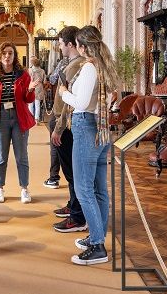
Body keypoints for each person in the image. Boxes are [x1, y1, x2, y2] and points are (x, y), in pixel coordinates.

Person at [58, 25, 118, 265]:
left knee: (84, 189)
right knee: (99, 190)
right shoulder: (105, 65)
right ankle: (98, 235)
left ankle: (97, 245)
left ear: (82, 46)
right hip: (101, 128)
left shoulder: (89, 67)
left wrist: (63, 92)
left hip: (86, 127)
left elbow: (80, 102)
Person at [0, 42, 39, 203]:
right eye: (4, 53)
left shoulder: (23, 75)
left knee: (21, 156)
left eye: (10, 53)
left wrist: (30, 90)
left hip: (18, 117)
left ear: (14, 56)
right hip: (0, 118)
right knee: (1, 156)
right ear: (0, 56)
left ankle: (24, 189)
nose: (7, 56)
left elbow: (28, 99)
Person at [48, 26, 88, 234]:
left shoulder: (75, 67)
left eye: (61, 43)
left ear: (71, 44)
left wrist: (58, 128)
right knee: (70, 171)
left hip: (67, 125)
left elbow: (67, 103)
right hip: (64, 123)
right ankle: (73, 206)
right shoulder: (71, 64)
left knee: (72, 173)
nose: (59, 47)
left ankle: (77, 215)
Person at [43, 55, 71, 189]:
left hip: (61, 111)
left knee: (55, 146)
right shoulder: (87, 63)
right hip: (75, 114)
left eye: (60, 43)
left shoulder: (65, 63)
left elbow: (53, 79)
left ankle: (54, 177)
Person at [27, 57, 47, 125]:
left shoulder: (29, 70)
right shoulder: (42, 71)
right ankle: (36, 120)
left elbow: (27, 80)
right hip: (39, 87)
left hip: (31, 86)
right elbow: (44, 81)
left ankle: (30, 119)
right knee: (37, 104)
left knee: (30, 104)